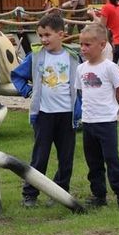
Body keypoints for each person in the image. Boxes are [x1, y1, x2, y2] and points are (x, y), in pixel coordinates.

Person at [11, 13, 82, 208]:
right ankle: (30, 194)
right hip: (43, 115)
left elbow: (82, 84)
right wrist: (28, 91)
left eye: (47, 35)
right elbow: (16, 76)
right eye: (40, 35)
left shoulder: (74, 57)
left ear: (61, 34)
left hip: (67, 116)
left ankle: (60, 193)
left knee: (66, 158)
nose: (43, 39)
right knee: (40, 157)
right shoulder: (35, 56)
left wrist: (82, 107)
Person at [75, 23, 119, 209]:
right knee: (93, 161)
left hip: (106, 122)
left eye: (88, 45)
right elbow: (82, 93)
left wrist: (111, 107)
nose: (83, 48)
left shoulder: (110, 67)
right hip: (89, 122)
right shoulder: (81, 69)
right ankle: (99, 195)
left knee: (111, 158)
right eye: (81, 44)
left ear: (102, 45)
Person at [88, 0, 119, 64]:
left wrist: (93, 15)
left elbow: (101, 26)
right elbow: (113, 18)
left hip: (110, 43)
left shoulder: (106, 7)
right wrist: (101, 14)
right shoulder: (118, 4)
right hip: (118, 42)